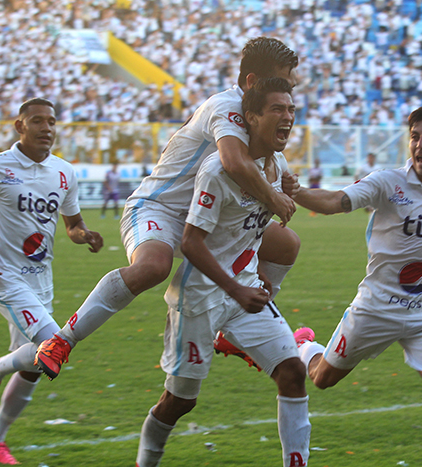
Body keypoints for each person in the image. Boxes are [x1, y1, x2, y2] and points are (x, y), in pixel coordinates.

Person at [35, 37, 302, 381]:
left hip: (210, 217)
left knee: (286, 244)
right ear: (252, 82)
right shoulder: (227, 107)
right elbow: (234, 162)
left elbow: (260, 166)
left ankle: (243, 320)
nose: (289, 90)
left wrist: (284, 185)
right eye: (282, 81)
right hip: (159, 208)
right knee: (153, 267)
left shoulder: (265, 112)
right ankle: (62, 340)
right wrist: (275, 198)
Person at [290, 106, 422, 467]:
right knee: (322, 378)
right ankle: (304, 346)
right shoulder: (387, 183)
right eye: (414, 137)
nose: (420, 145)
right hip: (376, 307)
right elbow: (335, 201)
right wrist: (295, 191)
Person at [136, 78, 310, 467]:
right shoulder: (217, 169)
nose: (288, 117)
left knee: (293, 372)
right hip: (200, 298)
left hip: (243, 291)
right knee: (180, 400)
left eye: (291, 110)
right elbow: (191, 242)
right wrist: (236, 289)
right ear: (252, 117)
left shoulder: (277, 166)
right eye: (277, 109)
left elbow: (257, 224)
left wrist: (252, 275)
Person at [0, 98, 103, 464]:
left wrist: (84, 235)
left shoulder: (64, 172)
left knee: (33, 366)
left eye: (52, 121)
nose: (47, 128)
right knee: (52, 345)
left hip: (41, 279)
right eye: (38, 121)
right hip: (2, 274)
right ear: (19, 126)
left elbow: (72, 224)